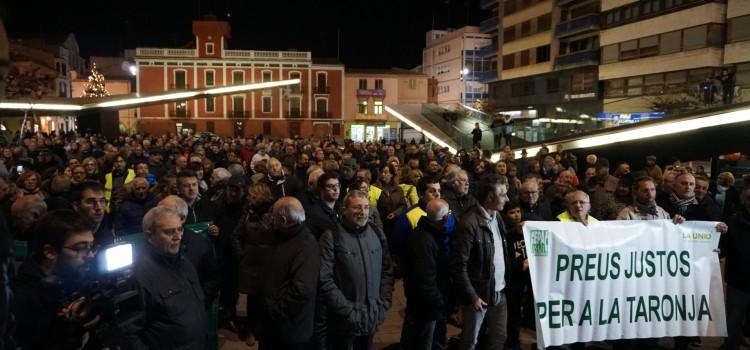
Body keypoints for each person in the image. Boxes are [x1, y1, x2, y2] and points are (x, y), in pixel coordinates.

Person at [13, 210, 103, 349]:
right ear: (50, 252)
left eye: (91, 247)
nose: (90, 255)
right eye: (80, 248)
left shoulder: (77, 277)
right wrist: (68, 335)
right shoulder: (22, 298)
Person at [318, 190, 394, 350]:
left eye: (366, 207)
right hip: (343, 321)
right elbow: (325, 279)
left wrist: (384, 303)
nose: (363, 212)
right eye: (357, 207)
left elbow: (387, 271)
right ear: (344, 210)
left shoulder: (377, 233)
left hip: (372, 316)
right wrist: (348, 311)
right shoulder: (332, 236)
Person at [127, 206, 207, 348]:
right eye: (169, 232)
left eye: (180, 229)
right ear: (149, 235)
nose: (178, 237)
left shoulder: (183, 261)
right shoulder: (139, 276)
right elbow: (130, 334)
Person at [451, 173, 510, 350]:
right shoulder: (468, 224)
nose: (507, 199)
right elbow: (458, 265)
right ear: (490, 197)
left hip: (499, 292)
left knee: (499, 337)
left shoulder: (497, 217)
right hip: (478, 296)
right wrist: (472, 296)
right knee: (470, 342)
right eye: (503, 194)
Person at [257, 197, 320, 350]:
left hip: (289, 329)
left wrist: (274, 310)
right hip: (275, 326)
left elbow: (301, 290)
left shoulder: (306, 245)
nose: (271, 218)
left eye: (274, 215)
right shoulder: (282, 236)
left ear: (283, 220)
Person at [401, 198, 451, 350]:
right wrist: (439, 302)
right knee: (425, 341)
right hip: (427, 306)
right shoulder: (425, 240)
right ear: (445, 218)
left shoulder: (424, 234)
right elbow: (426, 278)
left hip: (424, 302)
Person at [720, 187, 750, 350]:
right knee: (733, 319)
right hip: (738, 281)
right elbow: (723, 248)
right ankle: (730, 345)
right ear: (745, 200)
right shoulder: (732, 222)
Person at [72, 180, 115, 247]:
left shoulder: (107, 233)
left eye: (102, 201)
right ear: (76, 206)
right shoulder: (67, 234)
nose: (98, 207)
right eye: (91, 201)